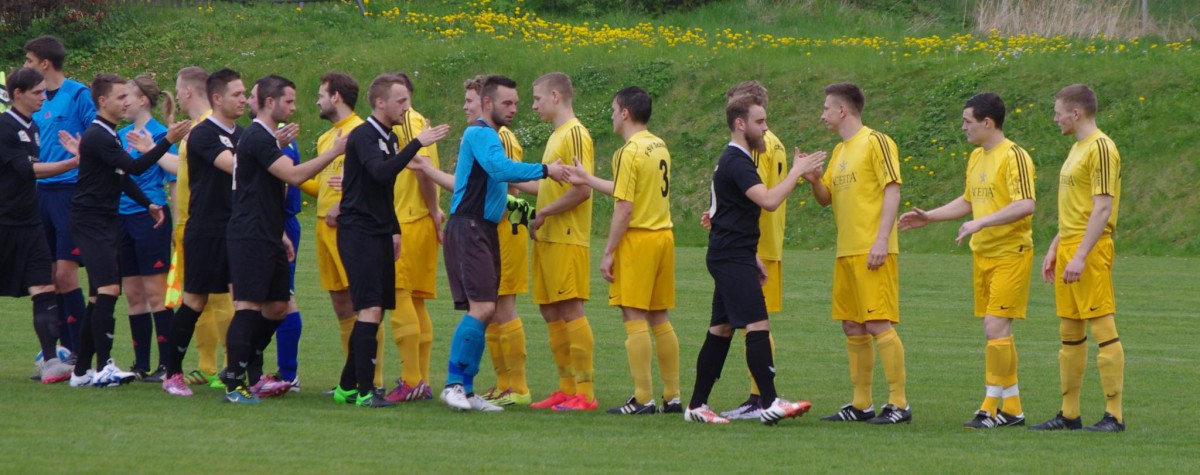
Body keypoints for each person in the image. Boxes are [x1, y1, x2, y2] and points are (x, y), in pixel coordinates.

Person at [409, 74, 566, 412]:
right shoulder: (479, 133)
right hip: (469, 228)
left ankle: (466, 388)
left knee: (486, 309)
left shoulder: (490, 135)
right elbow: (499, 169)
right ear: (488, 103)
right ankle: (453, 384)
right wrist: (546, 169)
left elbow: (499, 187)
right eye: (507, 103)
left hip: (483, 229)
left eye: (516, 104)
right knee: (482, 308)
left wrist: (529, 211)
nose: (514, 110)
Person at [898, 92, 1035, 428]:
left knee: (994, 326)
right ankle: (1013, 409)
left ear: (987, 123)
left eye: (967, 121)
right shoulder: (976, 157)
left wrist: (982, 222)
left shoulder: (1014, 156)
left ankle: (989, 408)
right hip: (984, 254)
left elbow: (1026, 204)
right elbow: (969, 200)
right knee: (999, 330)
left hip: (1011, 253)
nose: (963, 127)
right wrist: (929, 216)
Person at [684, 95, 822, 425]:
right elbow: (769, 200)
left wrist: (752, 254)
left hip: (733, 254)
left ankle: (696, 406)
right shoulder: (737, 160)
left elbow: (725, 212)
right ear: (740, 124)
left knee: (721, 329)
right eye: (760, 122)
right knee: (758, 324)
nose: (765, 128)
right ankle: (771, 402)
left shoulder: (737, 159)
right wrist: (797, 171)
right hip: (730, 257)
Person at [220, 74, 343, 404]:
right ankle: (234, 382)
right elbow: (295, 175)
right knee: (247, 307)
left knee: (277, 306)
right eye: (288, 100)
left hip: (269, 235)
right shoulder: (257, 139)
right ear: (271, 102)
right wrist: (336, 150)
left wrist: (280, 235)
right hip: (248, 236)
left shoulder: (267, 139)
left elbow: (271, 189)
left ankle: (241, 362)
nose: (294, 106)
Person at [330, 73, 450, 407]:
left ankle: (346, 387)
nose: (405, 107)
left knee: (376, 310)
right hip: (358, 231)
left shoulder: (390, 138)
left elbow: (384, 191)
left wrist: (394, 229)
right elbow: (381, 172)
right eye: (400, 101)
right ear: (380, 102)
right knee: (369, 308)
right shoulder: (364, 135)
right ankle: (367, 392)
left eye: (407, 101)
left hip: (381, 230)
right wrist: (417, 143)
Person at [564, 86, 682, 415]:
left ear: (626, 113)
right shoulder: (658, 145)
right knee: (660, 316)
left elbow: (625, 206)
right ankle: (672, 396)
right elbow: (627, 188)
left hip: (640, 239)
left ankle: (643, 398)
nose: (612, 115)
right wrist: (588, 178)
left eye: (614, 110)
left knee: (633, 315)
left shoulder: (628, 151)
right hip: (664, 236)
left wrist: (608, 251)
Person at [67, 73, 188, 388]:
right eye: (120, 97)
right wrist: (168, 141)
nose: (125, 102)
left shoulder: (110, 134)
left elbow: (122, 177)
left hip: (103, 220)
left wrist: (148, 203)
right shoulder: (99, 135)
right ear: (103, 101)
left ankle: (81, 372)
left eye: (127, 96)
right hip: (93, 221)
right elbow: (134, 167)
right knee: (109, 290)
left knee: (98, 296)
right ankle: (104, 366)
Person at [805, 82, 911, 424]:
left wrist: (882, 239)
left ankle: (899, 404)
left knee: (877, 321)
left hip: (872, 248)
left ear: (842, 110)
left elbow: (892, 189)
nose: (821, 115)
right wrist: (813, 179)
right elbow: (827, 198)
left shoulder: (876, 141)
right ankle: (861, 404)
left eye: (825, 108)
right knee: (852, 325)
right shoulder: (839, 151)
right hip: (846, 251)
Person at [1030, 84, 1125, 433]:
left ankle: (1114, 415)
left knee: (1102, 326)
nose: (1054, 118)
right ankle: (1069, 414)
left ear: (1076, 113)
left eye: (1058, 112)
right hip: (1071, 245)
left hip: (1091, 248)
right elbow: (1078, 208)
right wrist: (1057, 246)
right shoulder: (1077, 148)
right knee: (1069, 332)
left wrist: (1081, 255)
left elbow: (1102, 208)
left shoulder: (1101, 147)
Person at [708, 81, 791, 421]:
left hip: (752, 244)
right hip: (754, 241)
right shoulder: (773, 142)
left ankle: (761, 397)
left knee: (755, 322)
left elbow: (758, 194)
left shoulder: (758, 145)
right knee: (733, 323)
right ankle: (748, 397)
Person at [160, 68, 246, 397]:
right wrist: (268, 153)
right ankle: (173, 373)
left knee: (245, 303)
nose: (243, 99)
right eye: (237, 94)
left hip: (237, 229)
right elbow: (235, 165)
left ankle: (241, 373)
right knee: (195, 301)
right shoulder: (203, 133)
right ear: (217, 98)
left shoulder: (242, 134)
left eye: (244, 93)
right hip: (206, 230)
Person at [298, 72, 384, 392]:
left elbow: (374, 179)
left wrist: (345, 204)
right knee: (341, 306)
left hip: (349, 228)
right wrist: (286, 172)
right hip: (322, 227)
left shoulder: (362, 133)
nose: (317, 100)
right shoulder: (327, 139)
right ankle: (350, 382)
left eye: (321, 94)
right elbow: (320, 186)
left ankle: (371, 380)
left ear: (335, 96)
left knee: (365, 304)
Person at [1, 67, 80, 384]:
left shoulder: (32, 126)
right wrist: (73, 162)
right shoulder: (5, 127)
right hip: (4, 223)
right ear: (17, 93)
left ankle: (50, 362)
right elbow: (27, 170)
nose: (44, 97)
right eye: (37, 92)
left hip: (29, 223)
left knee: (44, 288)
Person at [527, 72, 598, 411]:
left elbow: (582, 190)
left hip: (567, 237)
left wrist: (544, 213)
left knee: (570, 309)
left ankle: (585, 391)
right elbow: (550, 186)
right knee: (549, 310)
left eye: (537, 98)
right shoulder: (556, 135)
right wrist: (510, 181)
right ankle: (566, 386)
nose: (533, 105)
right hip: (548, 238)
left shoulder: (575, 134)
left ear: (555, 96)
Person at [25, 35, 94, 356]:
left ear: (44, 63)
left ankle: (77, 350)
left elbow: (97, 140)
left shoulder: (78, 95)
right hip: (41, 195)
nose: (25, 66)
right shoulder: (33, 101)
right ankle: (58, 352)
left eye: (28, 60)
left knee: (67, 275)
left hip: (70, 193)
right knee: (48, 276)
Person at [117, 75, 180, 382]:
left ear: (143, 100)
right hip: (122, 218)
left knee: (157, 294)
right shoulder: (122, 134)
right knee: (133, 295)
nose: (123, 101)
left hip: (152, 218)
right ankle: (141, 365)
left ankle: (168, 365)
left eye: (127, 95)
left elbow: (175, 181)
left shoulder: (162, 135)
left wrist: (177, 225)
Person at [384, 73, 442, 403]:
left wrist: (434, 210)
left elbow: (422, 169)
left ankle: (410, 380)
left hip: (408, 220)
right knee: (416, 300)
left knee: (399, 295)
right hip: (416, 220)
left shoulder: (409, 121)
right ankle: (421, 380)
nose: (400, 105)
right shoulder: (416, 120)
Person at [245, 83, 306, 392]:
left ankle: (282, 373)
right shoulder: (269, 138)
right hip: (271, 225)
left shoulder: (272, 139)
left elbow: (288, 181)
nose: (245, 100)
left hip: (274, 225)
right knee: (273, 302)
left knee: (274, 302)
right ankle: (257, 373)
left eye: (250, 95)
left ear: (265, 101)